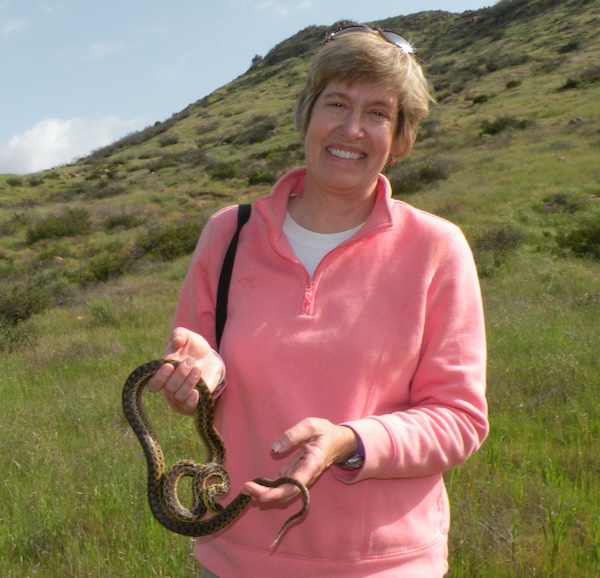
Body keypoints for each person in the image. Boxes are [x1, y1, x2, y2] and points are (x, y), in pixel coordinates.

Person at [147, 24, 488, 578]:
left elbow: (460, 418)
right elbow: (197, 374)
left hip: (384, 563)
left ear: (399, 136)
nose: (352, 129)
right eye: (336, 103)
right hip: (235, 557)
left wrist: (351, 441)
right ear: (306, 114)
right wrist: (197, 380)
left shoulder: (437, 248)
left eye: (378, 112)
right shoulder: (227, 234)